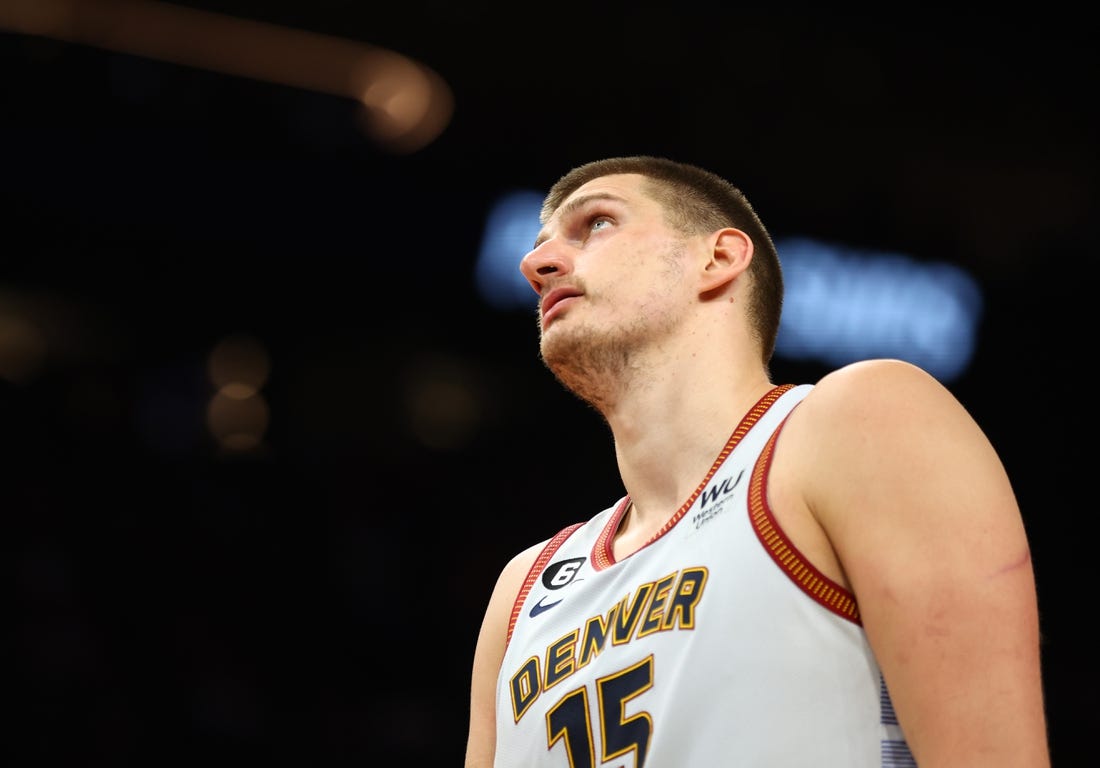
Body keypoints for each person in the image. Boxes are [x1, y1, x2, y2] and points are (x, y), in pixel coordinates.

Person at [463, 155, 1049, 767]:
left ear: (717, 259)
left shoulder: (857, 420)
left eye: (598, 223)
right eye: (539, 246)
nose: (537, 264)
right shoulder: (524, 587)